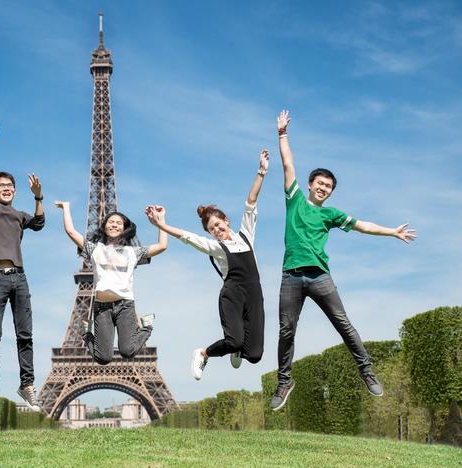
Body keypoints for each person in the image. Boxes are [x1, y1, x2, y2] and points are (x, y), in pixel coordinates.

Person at [270, 110, 417, 411]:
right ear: (310, 184)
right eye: (320, 183)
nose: (324, 188)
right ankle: (284, 382)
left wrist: (392, 232)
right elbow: (287, 164)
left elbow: (364, 225)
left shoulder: (332, 214)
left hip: (320, 276)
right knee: (286, 330)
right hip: (291, 276)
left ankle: (367, 371)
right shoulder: (294, 198)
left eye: (329, 186)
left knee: (343, 324)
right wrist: (282, 134)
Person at [146, 150, 270, 380]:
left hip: (254, 294)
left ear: (226, 221)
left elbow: (251, 201)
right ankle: (203, 353)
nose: (216, 230)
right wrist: (162, 224)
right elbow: (187, 237)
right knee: (234, 340)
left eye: (218, 224)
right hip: (232, 295)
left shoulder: (246, 236)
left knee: (255, 354)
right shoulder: (214, 247)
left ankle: (239, 351)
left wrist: (261, 171)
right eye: (211, 229)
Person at [0, 112, 45, 412]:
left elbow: (40, 222)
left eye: (10, 185)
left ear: (15, 190)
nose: (6, 187)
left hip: (19, 278)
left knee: (25, 334)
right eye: (1, 185)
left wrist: (38, 197)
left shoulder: (20, 215)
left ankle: (27, 384)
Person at [55, 201, 167, 364]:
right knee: (103, 358)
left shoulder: (133, 252)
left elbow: (162, 246)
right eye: (111, 222)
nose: (114, 225)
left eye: (119, 223)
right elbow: (71, 232)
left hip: (125, 306)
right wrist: (66, 208)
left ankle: (147, 327)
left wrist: (161, 221)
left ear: (124, 228)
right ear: (105, 226)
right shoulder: (95, 249)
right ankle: (87, 333)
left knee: (128, 351)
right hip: (102, 307)